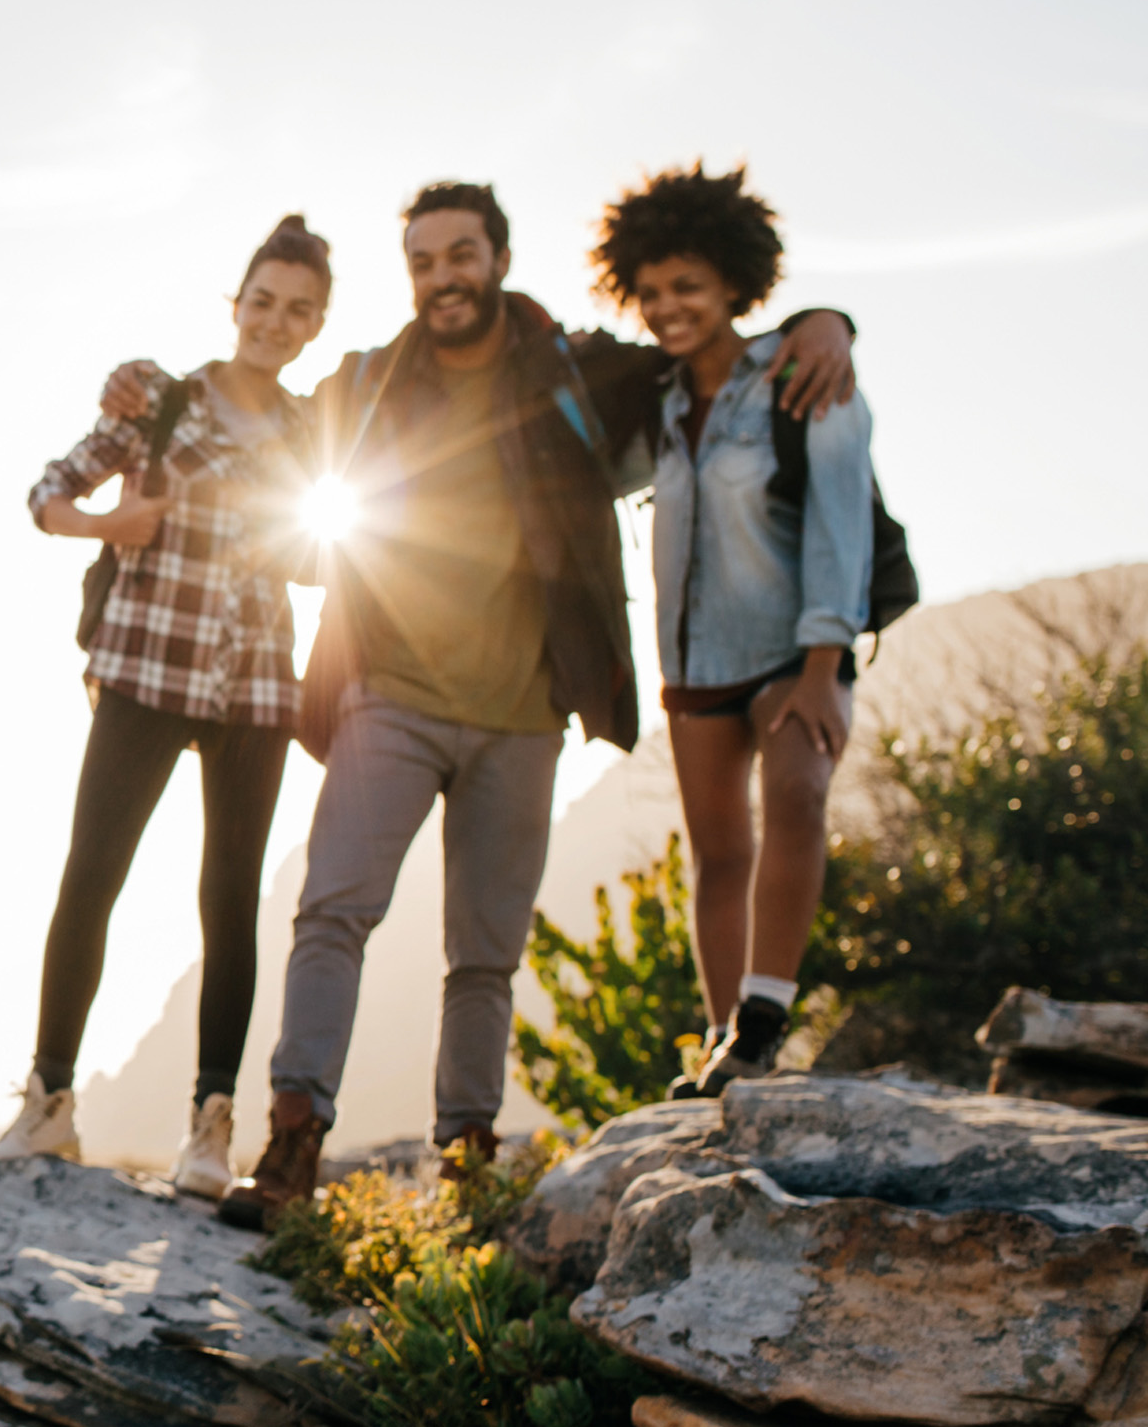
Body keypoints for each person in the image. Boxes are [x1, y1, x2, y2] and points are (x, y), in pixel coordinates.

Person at [97, 183, 860, 1230]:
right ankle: (290, 1146)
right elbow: (261, 428)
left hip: (522, 712)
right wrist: (152, 387)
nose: (443, 275)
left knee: (484, 956)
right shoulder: (364, 381)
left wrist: (825, 324)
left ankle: (464, 1163)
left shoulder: (577, 368)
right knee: (332, 913)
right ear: (409, 273)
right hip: (388, 696)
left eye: (462, 254)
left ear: (496, 257)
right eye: (423, 260)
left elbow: (709, 346)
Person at [0, 216, 332, 1199]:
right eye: (262, 301)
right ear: (236, 305)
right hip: (142, 666)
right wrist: (109, 521)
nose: (276, 321)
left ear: (314, 327)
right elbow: (45, 492)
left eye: (298, 311)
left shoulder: (314, 433)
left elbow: (327, 555)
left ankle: (210, 1131)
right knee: (91, 872)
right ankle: (49, 1102)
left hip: (257, 683)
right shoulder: (161, 400)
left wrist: (292, 551)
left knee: (229, 899)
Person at [589, 164, 873, 1097]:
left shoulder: (803, 375)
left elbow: (842, 519)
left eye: (691, 287)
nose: (672, 307)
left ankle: (761, 1023)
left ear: (732, 287)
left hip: (793, 650)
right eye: (656, 290)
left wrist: (825, 664)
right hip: (694, 661)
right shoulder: (657, 405)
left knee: (797, 798)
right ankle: (723, 1044)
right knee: (716, 853)